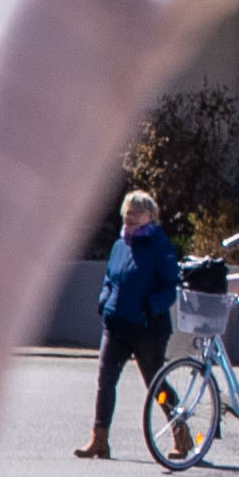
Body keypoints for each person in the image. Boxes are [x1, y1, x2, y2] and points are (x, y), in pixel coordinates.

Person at [78, 190, 184, 460]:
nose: (131, 218)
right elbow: (110, 279)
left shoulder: (160, 247)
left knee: (156, 386)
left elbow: (170, 288)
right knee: (105, 382)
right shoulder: (119, 245)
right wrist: (105, 300)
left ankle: (181, 435)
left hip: (148, 328)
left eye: (136, 213)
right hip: (115, 324)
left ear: (150, 216)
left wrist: (150, 307)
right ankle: (99, 439)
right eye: (127, 214)